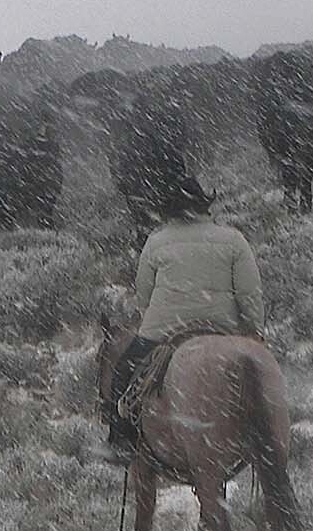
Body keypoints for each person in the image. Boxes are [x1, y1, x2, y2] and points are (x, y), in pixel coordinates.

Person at [106, 176, 265, 450]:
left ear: (168, 209)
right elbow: (249, 293)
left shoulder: (156, 241)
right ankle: (264, 434)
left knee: (124, 371)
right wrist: (253, 327)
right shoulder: (233, 240)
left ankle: (122, 439)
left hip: (164, 329)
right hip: (222, 327)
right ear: (204, 205)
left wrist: (154, 316)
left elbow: (143, 294)